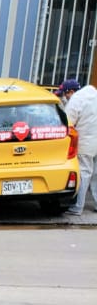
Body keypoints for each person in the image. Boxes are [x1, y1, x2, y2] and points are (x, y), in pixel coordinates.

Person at [59, 78, 96, 215]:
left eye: (65, 94)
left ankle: (77, 207)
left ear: (71, 92)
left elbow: (68, 122)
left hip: (86, 143)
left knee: (84, 173)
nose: (65, 97)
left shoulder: (76, 100)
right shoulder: (94, 94)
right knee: (95, 174)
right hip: (95, 140)